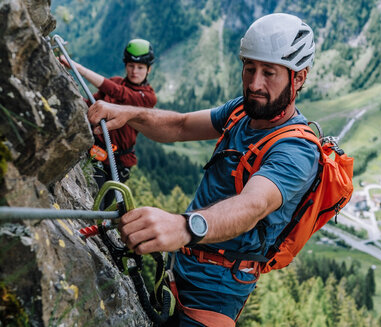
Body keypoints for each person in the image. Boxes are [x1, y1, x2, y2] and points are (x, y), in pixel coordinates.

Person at [88, 13, 317, 326]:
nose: (254, 83)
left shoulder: (296, 149)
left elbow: (252, 206)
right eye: (249, 68)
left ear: (299, 78)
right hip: (183, 263)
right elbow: (180, 126)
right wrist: (127, 112)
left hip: (215, 292)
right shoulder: (241, 110)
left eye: (269, 73)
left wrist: (184, 227)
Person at [59, 39, 157, 208]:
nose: (135, 71)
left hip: (118, 164)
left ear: (148, 69)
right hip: (96, 152)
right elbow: (91, 104)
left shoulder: (147, 97)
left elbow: (119, 93)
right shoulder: (117, 81)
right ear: (126, 65)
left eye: (140, 67)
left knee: (101, 206)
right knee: (93, 203)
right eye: (131, 66)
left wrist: (78, 69)